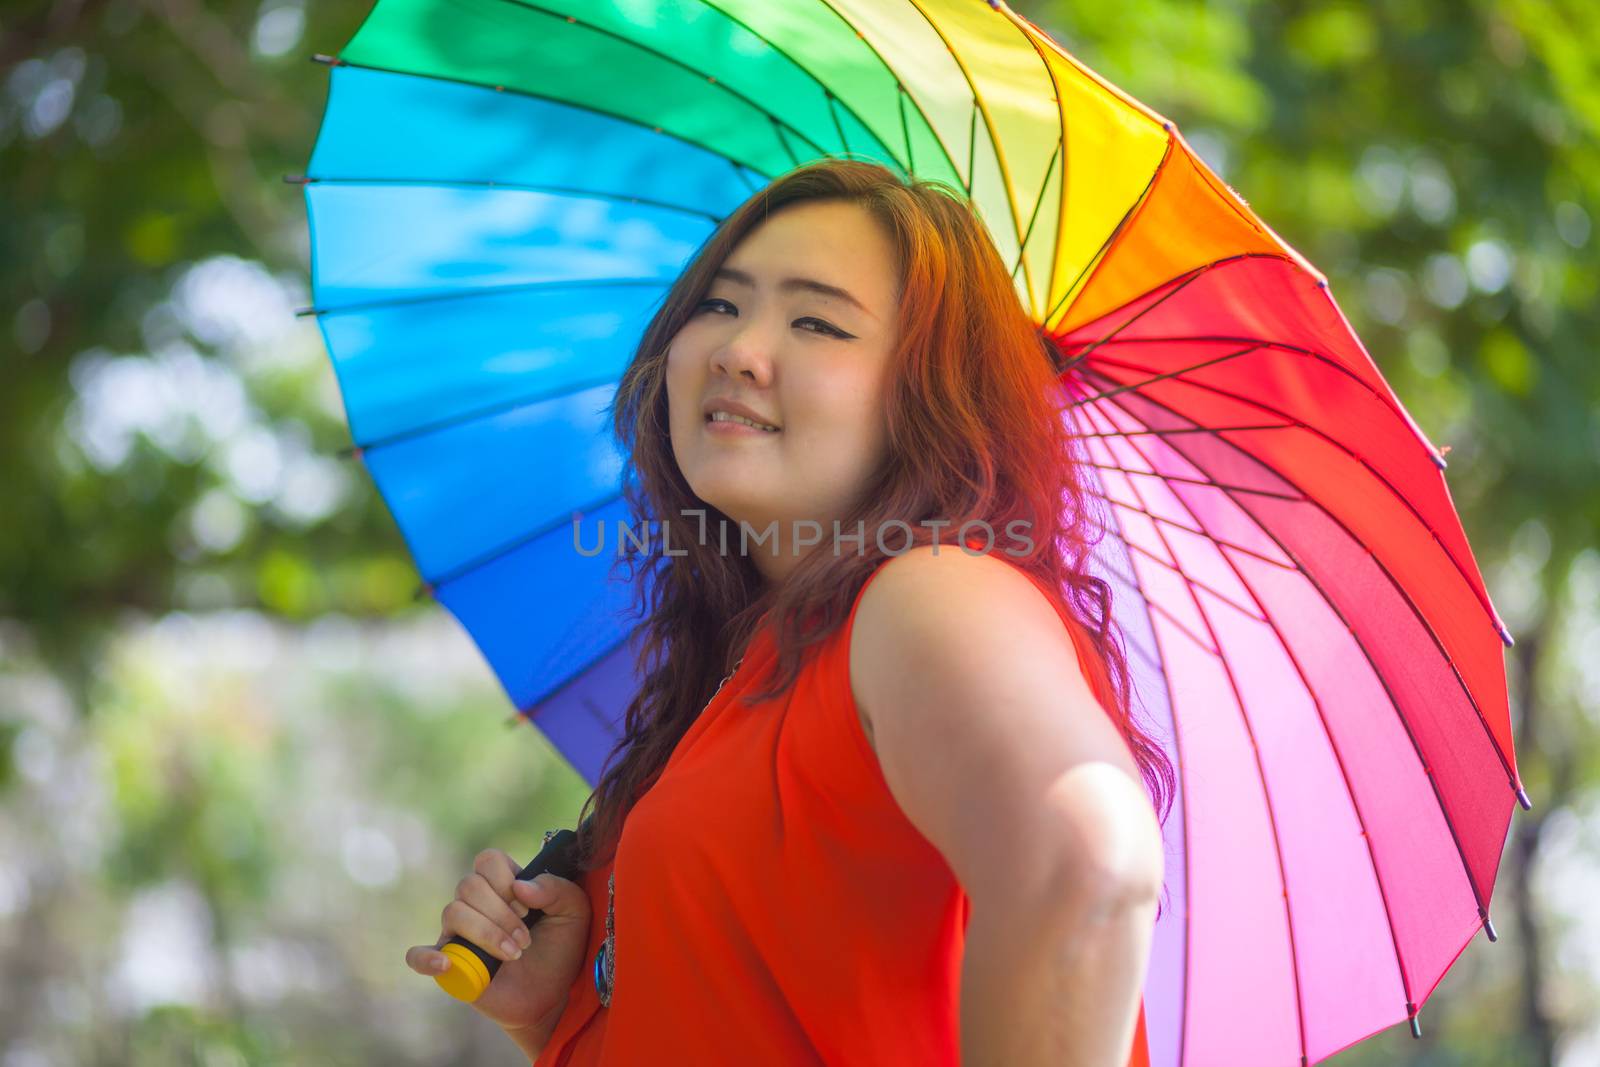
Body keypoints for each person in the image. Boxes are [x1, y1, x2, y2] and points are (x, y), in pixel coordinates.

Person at [405, 158, 1175, 1066]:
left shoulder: (931, 592)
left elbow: (1087, 868)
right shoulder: (754, 662)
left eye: (817, 321)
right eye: (721, 306)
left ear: (926, 396)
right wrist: (571, 1007)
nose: (738, 349)